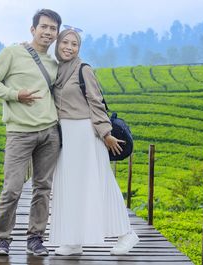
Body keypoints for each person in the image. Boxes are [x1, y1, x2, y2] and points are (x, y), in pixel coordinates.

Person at [49, 29, 139, 255]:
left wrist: (105, 133)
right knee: (70, 187)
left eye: (74, 44)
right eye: (65, 42)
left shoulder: (83, 70)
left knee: (101, 183)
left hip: (87, 133)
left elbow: (96, 103)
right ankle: (73, 240)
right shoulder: (57, 70)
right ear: (57, 44)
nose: (69, 47)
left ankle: (127, 234)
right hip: (66, 136)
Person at [0, 9, 62, 256]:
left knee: (43, 188)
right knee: (12, 188)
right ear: (33, 29)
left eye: (53, 29)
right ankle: (2, 239)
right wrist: (15, 95)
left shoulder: (53, 63)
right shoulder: (12, 52)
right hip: (19, 133)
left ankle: (35, 238)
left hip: (49, 133)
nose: (48, 32)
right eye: (44, 27)